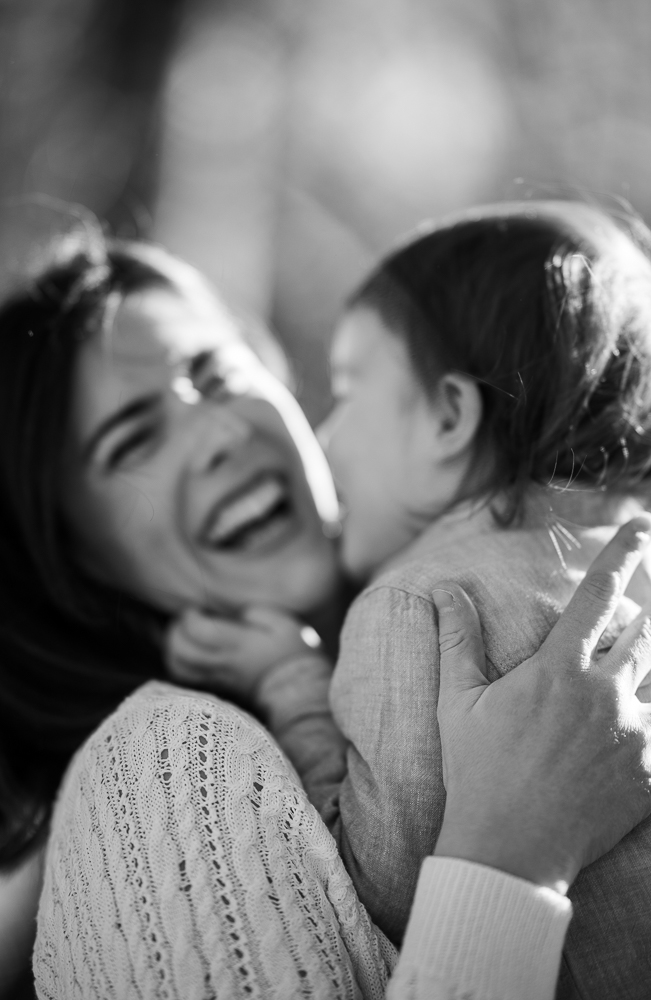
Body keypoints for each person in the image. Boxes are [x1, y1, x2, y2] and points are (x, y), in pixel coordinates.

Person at [0, 231, 644, 998]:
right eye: (133, 438)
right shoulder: (156, 762)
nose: (224, 434)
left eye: (217, 374)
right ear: (65, 555)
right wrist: (511, 857)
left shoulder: (494, 602)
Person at [167, 202, 651, 996]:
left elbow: (372, 900)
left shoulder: (420, 608)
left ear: (449, 416)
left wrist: (291, 679)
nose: (325, 440)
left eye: (351, 390)